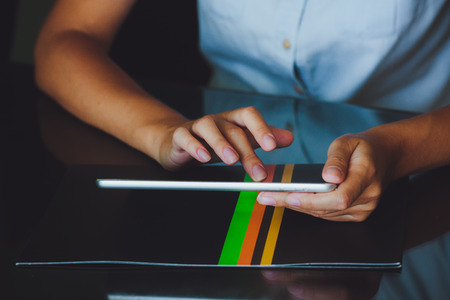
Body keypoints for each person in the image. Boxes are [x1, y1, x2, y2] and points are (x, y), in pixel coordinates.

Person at [34, 0, 450, 222]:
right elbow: (67, 38)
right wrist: (162, 131)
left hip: (423, 187)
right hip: (229, 180)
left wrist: (398, 149)